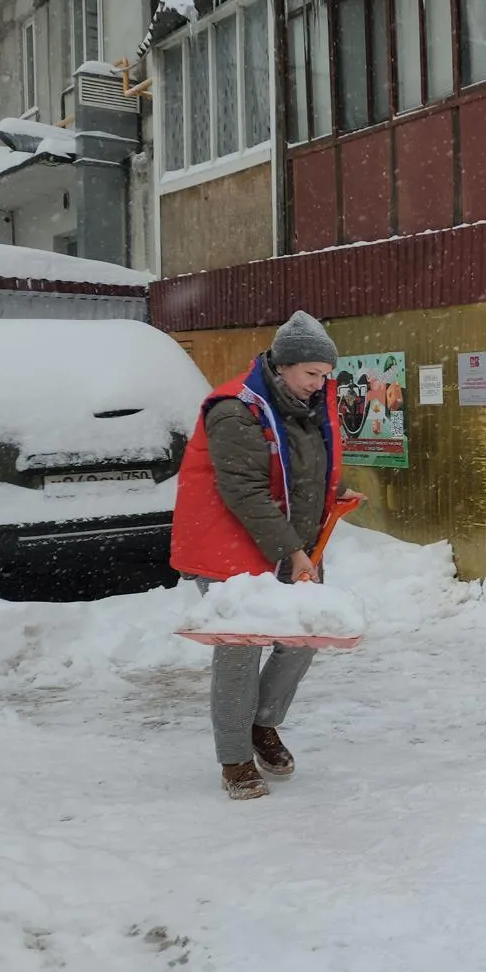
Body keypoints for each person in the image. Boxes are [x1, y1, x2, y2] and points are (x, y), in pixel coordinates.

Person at [171, 311, 364, 799]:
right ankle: (234, 757)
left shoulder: (309, 406)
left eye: (326, 375)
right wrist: (294, 551)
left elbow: (303, 470)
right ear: (282, 366)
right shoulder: (236, 409)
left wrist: (332, 496)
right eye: (311, 374)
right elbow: (245, 492)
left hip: (290, 543)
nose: (320, 384)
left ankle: (262, 725)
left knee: (305, 636)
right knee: (240, 651)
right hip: (229, 544)